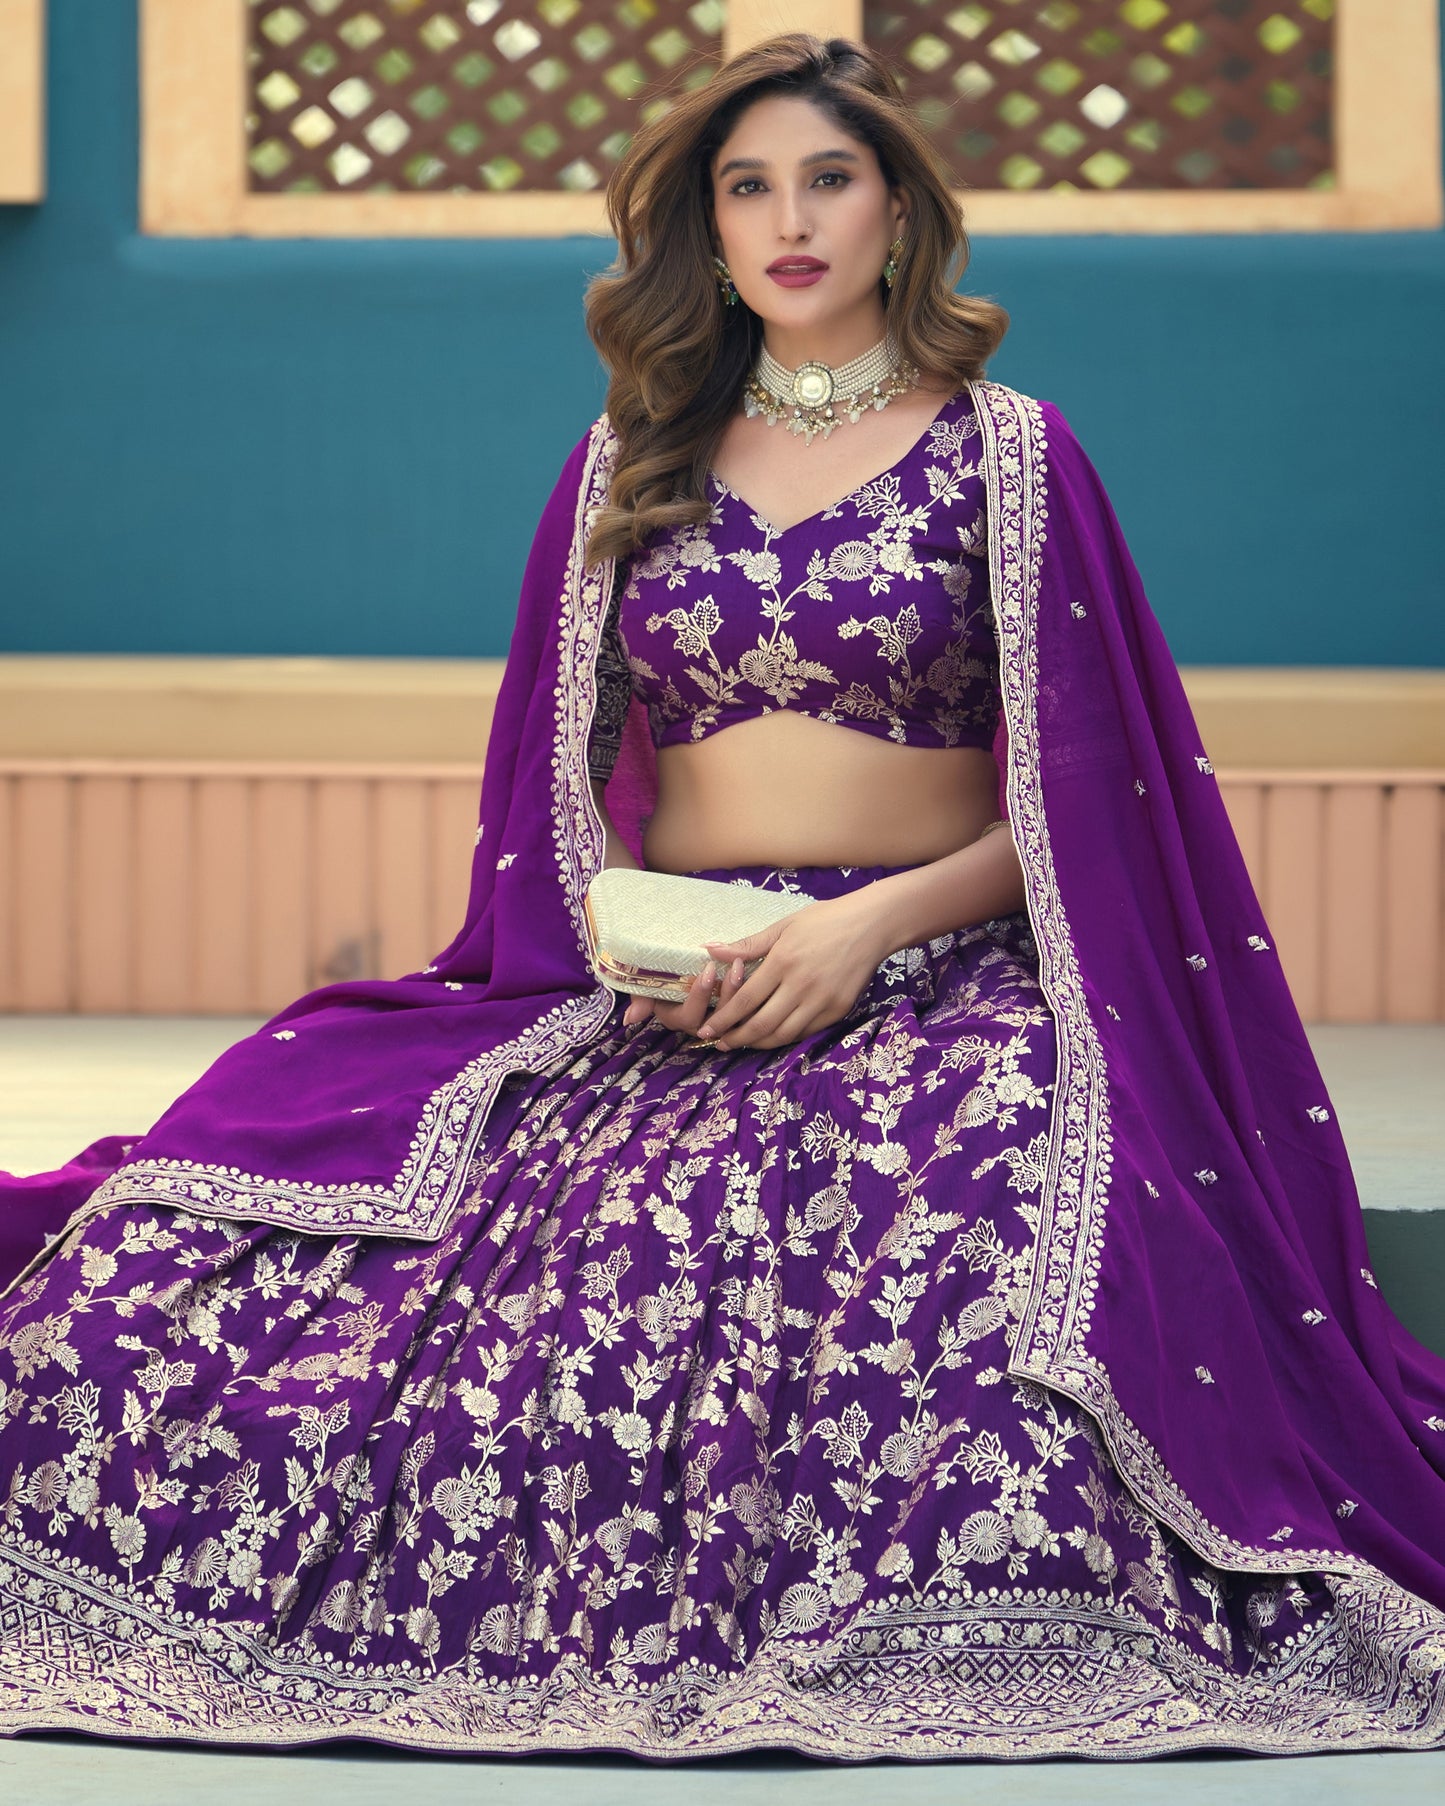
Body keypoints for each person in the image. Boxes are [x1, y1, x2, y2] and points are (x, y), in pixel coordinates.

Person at [1, 32, 1443, 1761]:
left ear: (899, 212)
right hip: (670, 985)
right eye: (744, 187)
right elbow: (555, 791)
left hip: (935, 966)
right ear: (704, 228)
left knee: (965, 1255)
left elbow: (1084, 808)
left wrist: (860, 926)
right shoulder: (630, 457)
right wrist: (635, 946)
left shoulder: (1006, 455)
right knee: (290, 1262)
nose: (788, 219)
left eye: (827, 179)